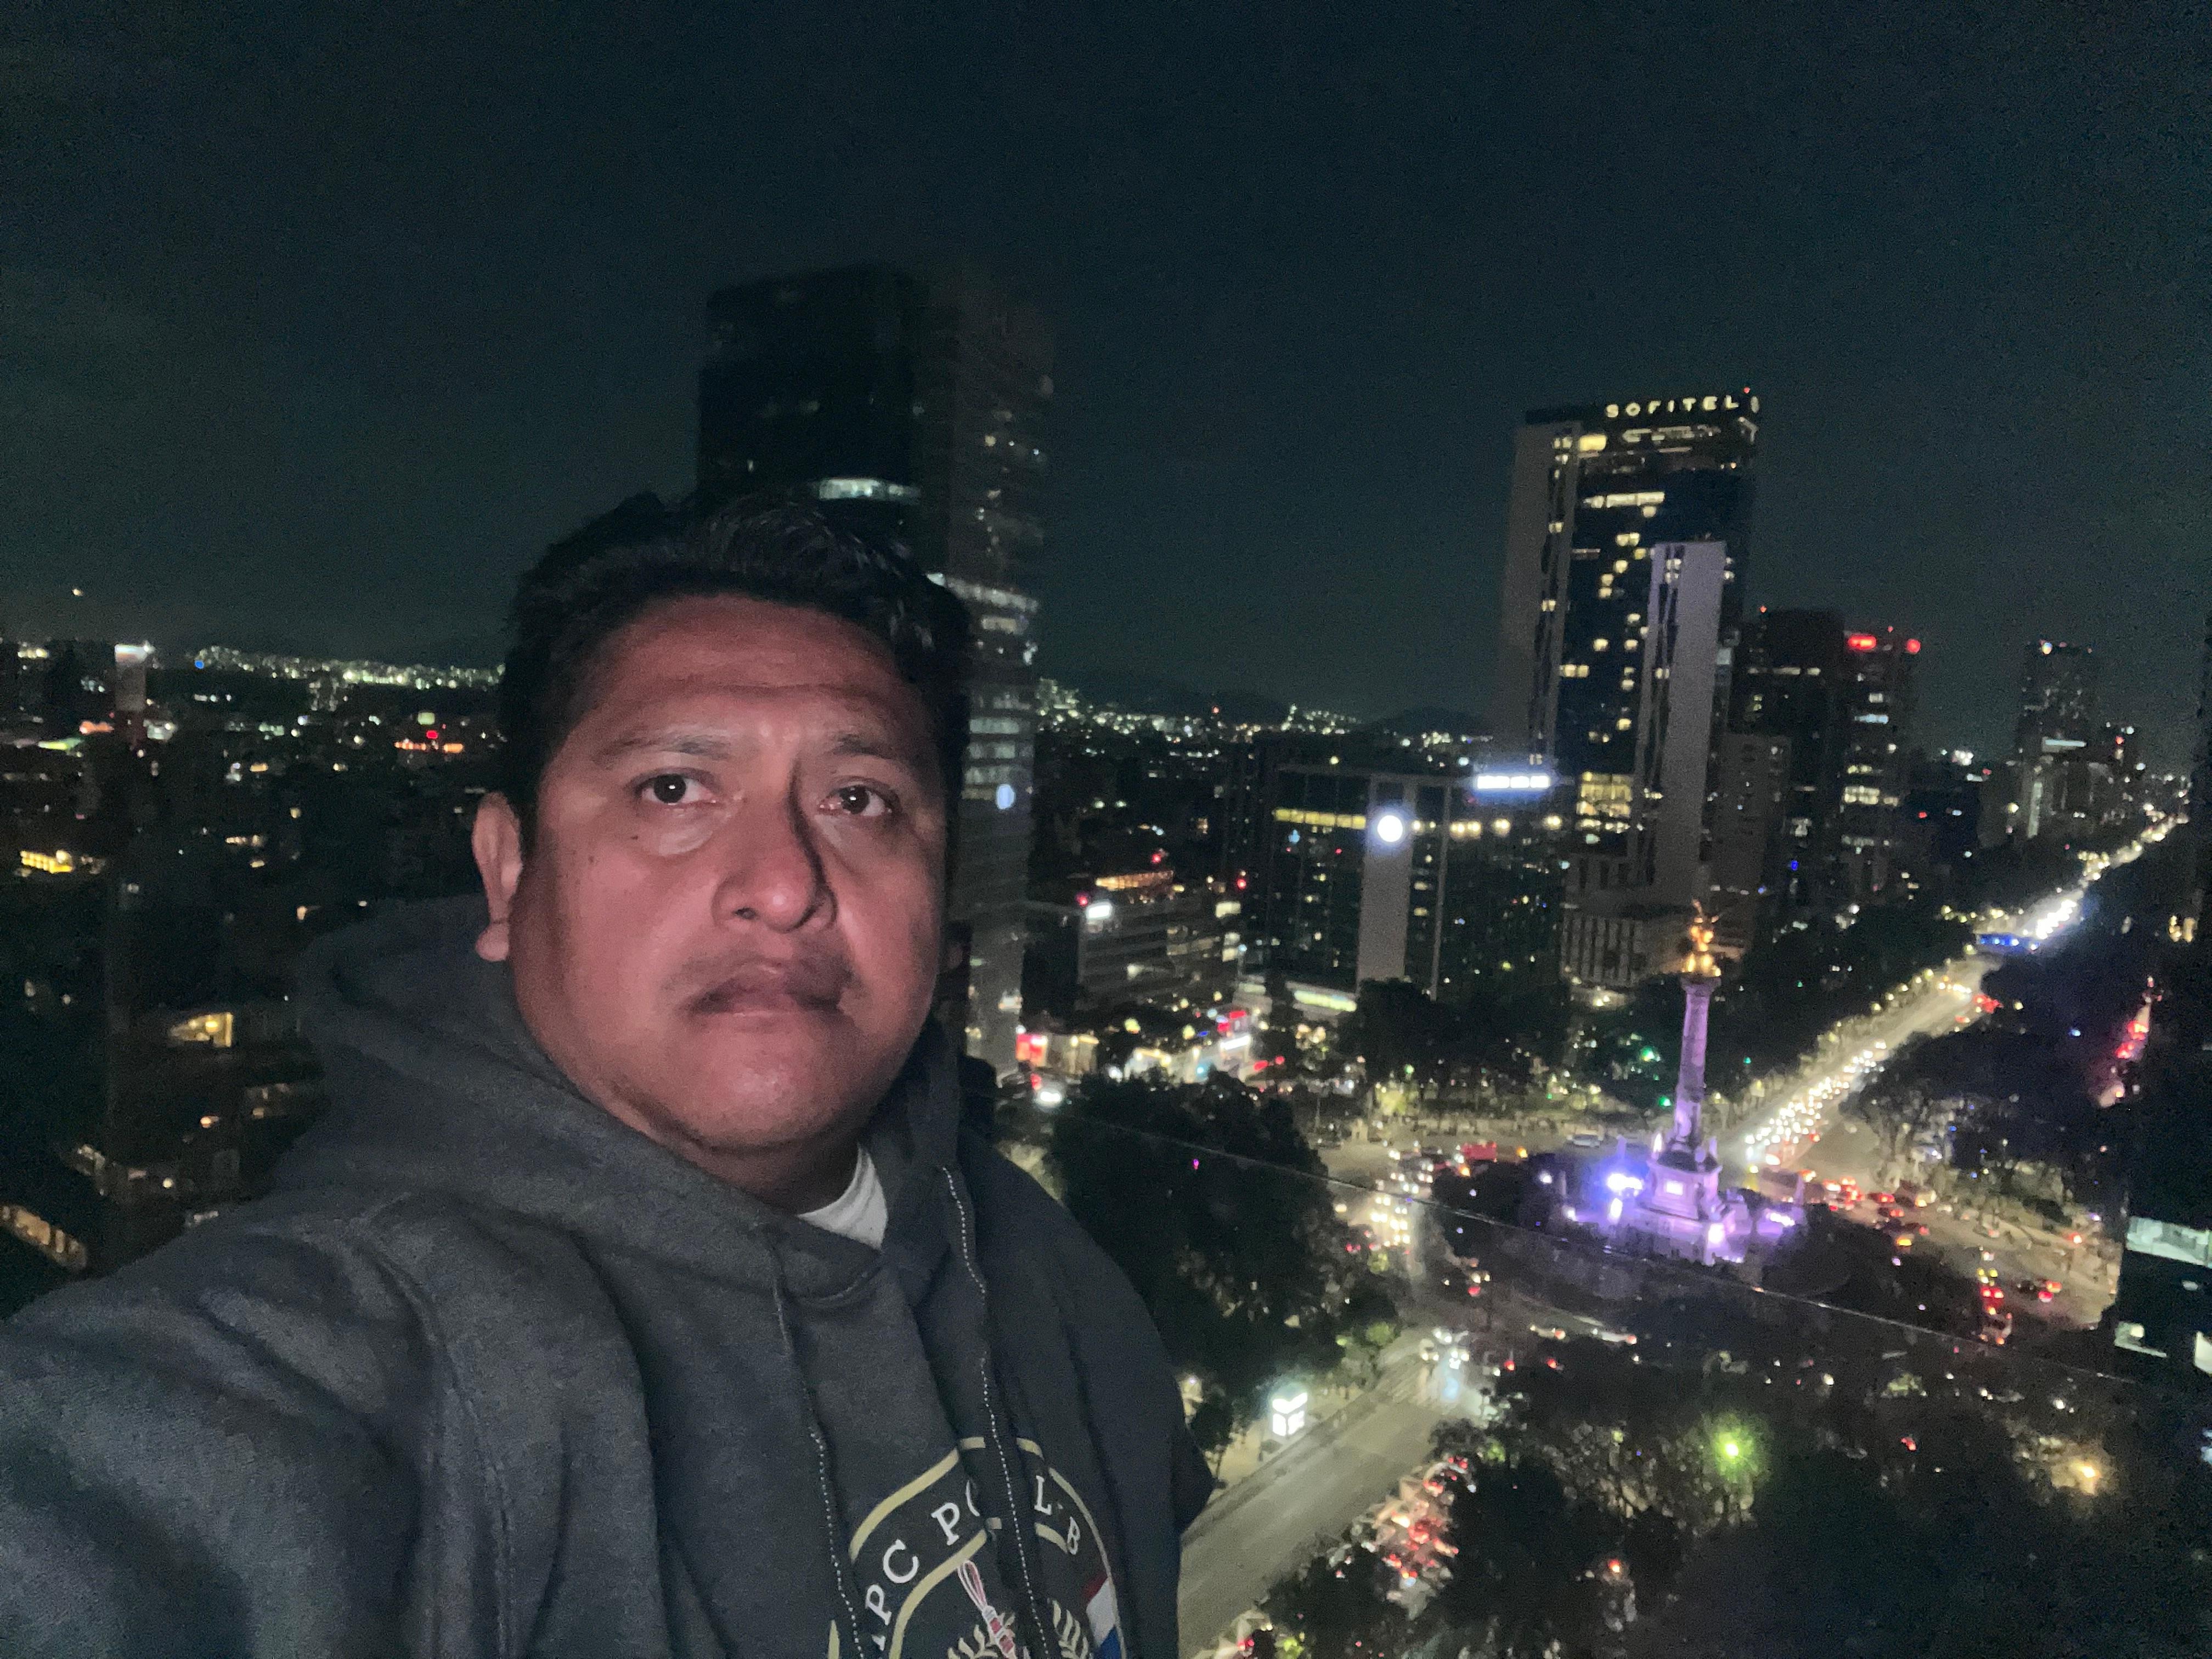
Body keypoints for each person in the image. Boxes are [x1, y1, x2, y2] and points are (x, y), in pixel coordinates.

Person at [0, 495, 1210, 1656]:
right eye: (672, 790)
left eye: (859, 799)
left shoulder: (1033, 1258)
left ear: (940, 895)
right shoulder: (364, 1362)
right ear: (508, 873)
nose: (784, 884)